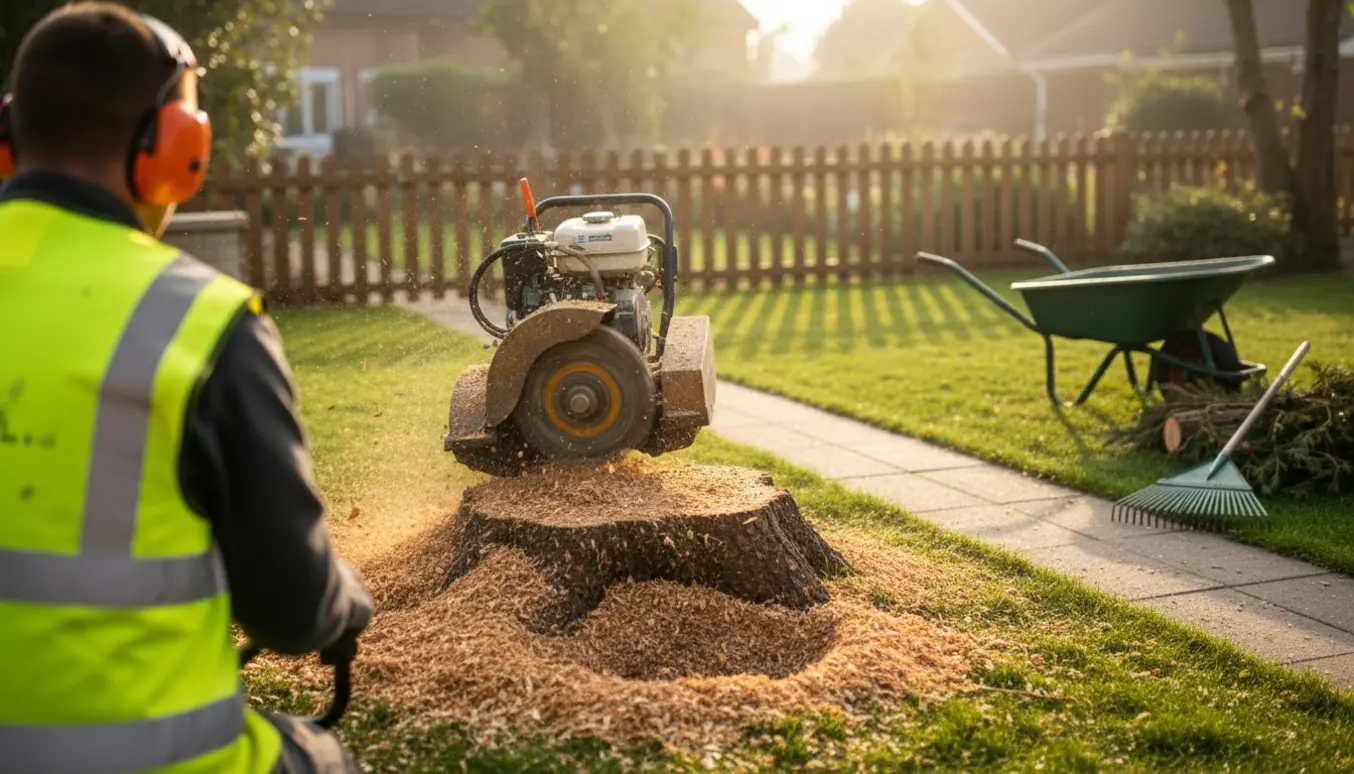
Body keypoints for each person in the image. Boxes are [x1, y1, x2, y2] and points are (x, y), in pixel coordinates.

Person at [0, 3, 372, 772]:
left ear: (11, 140)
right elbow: (292, 611)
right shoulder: (200, 325)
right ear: (172, 152)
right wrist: (345, 595)